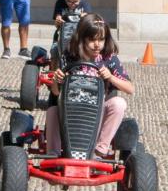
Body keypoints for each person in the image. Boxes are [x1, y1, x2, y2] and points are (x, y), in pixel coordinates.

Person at [44, 14, 133, 159]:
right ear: (82, 38)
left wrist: (111, 77)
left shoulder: (108, 58)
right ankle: (53, 156)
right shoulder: (69, 56)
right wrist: (56, 80)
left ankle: (100, 150)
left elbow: (130, 88)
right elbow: (55, 93)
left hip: (96, 113)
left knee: (119, 103)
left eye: (101, 39)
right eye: (92, 40)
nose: (97, 44)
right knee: (53, 110)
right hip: (70, 113)